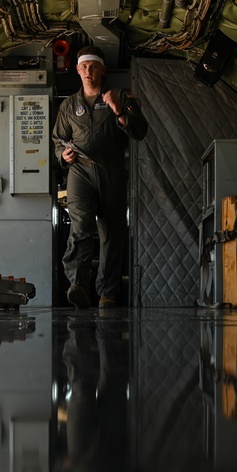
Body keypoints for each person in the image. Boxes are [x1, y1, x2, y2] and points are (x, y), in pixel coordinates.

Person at [52, 46, 148, 309]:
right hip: (80, 171)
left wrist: (119, 112)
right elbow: (57, 140)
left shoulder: (119, 95)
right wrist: (64, 155)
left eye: (93, 66)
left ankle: (107, 293)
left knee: (112, 234)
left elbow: (140, 131)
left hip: (112, 171)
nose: (88, 71)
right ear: (77, 70)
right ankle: (78, 286)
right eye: (83, 67)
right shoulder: (69, 105)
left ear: (102, 69)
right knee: (80, 227)